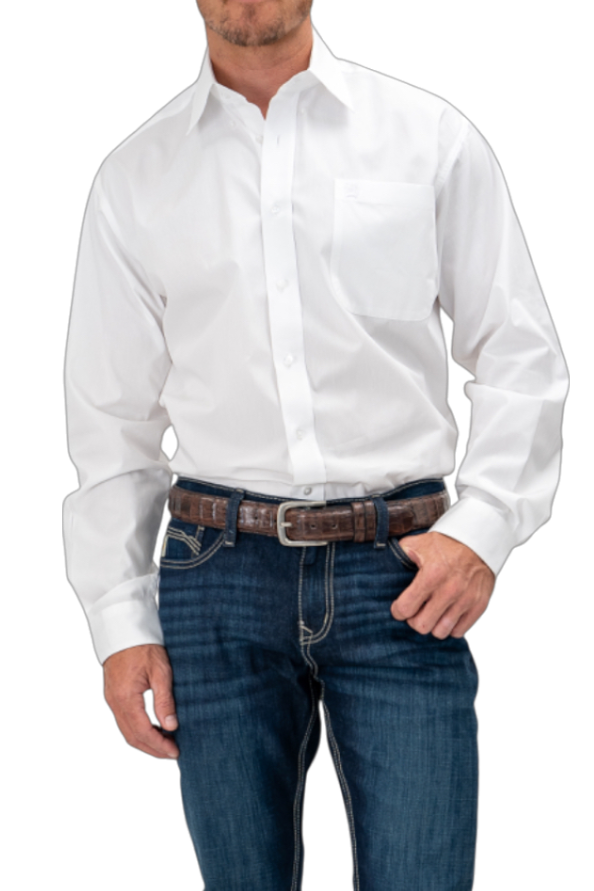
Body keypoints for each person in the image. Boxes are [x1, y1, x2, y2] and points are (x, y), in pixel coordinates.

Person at [62, 2, 569, 889]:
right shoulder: (137, 174)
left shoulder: (427, 135)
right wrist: (118, 621)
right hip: (213, 579)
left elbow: (520, 353)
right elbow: (110, 420)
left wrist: (484, 529)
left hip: (406, 573)